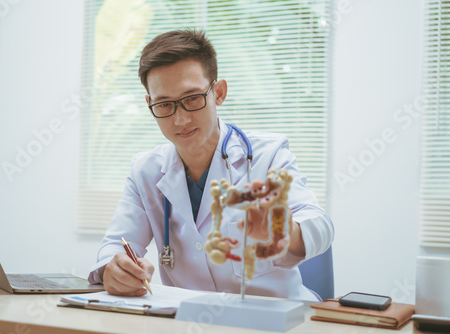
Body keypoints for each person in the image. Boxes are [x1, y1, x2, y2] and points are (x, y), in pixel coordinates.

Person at [88, 29, 334, 301]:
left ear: (218, 92)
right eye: (164, 104)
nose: (180, 120)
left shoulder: (267, 155)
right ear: (150, 104)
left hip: (274, 320)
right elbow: (116, 246)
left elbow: (319, 225)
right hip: (186, 320)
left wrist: (286, 231)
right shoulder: (145, 170)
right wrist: (114, 269)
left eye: (192, 98)